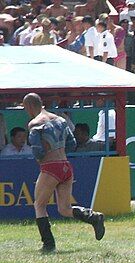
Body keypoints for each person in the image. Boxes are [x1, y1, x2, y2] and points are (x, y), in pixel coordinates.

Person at [22, 93, 105, 253]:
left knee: (39, 205)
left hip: (50, 167)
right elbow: (72, 143)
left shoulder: (35, 123)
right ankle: (94, 217)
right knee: (64, 208)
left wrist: (43, 159)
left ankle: (49, 245)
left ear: (29, 106)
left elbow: (37, 150)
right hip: (66, 166)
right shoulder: (60, 119)